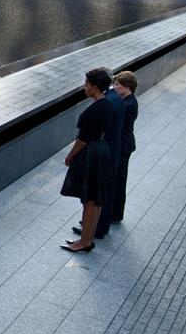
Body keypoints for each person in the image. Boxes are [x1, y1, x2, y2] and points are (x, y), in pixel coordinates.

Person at [60, 69, 114, 252]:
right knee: (95, 199)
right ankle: (88, 239)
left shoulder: (94, 110)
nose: (85, 87)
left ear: (95, 87)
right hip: (102, 150)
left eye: (87, 84)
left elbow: (82, 140)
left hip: (91, 154)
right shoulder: (108, 104)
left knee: (89, 200)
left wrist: (70, 156)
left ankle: (83, 242)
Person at [91, 66, 123, 239]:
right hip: (114, 150)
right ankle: (97, 225)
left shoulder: (107, 102)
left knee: (98, 195)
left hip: (106, 153)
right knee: (105, 192)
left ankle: (96, 228)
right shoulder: (117, 97)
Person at [111, 71, 139, 223]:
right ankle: (114, 214)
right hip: (125, 144)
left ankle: (115, 215)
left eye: (117, 85)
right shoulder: (129, 101)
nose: (114, 87)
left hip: (123, 146)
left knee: (119, 180)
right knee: (118, 179)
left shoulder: (127, 105)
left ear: (127, 87)